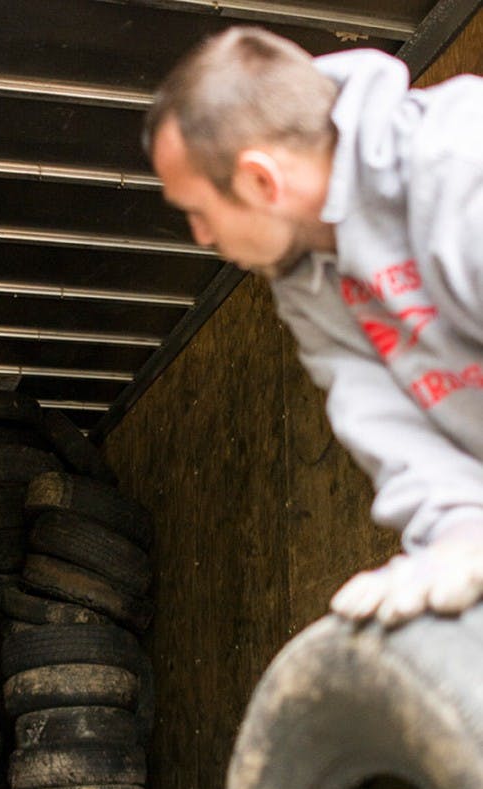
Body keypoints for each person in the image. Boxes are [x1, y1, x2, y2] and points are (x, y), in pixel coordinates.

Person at [146, 27, 483, 628]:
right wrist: (459, 535)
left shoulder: (462, 161)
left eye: (199, 212)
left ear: (260, 181)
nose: (201, 238)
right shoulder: (306, 282)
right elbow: (388, 422)